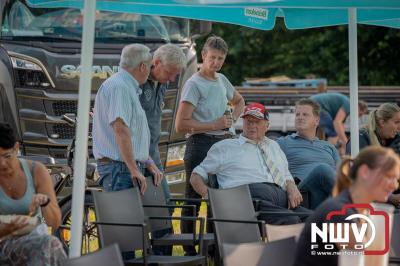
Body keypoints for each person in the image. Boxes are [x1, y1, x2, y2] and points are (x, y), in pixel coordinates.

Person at [175, 35, 245, 255]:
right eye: (212, 57)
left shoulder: (222, 80)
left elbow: (240, 101)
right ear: (203, 55)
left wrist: (233, 118)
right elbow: (180, 124)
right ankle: (189, 251)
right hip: (200, 145)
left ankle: (215, 247)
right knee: (193, 199)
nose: (216, 63)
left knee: (219, 196)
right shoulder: (194, 84)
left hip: (223, 145)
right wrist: (214, 124)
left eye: (221, 59)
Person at [190, 103, 311, 226]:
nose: (252, 126)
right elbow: (196, 175)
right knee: (291, 221)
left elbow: (285, 174)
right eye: (248, 121)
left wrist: (292, 186)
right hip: (247, 198)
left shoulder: (274, 146)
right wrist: (210, 196)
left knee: (317, 221)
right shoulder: (225, 147)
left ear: (267, 125)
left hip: (281, 198)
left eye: (257, 122)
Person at [294, 146, 400, 266]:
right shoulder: (339, 213)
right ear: (365, 172)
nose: (395, 185)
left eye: (396, 179)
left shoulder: (358, 211)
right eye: (389, 176)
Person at [93, 43, 162, 195]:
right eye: (151, 67)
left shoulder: (125, 86)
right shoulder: (120, 87)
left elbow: (133, 135)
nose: (151, 71)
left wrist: (147, 161)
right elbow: (121, 130)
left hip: (122, 168)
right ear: (142, 66)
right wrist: (134, 169)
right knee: (122, 218)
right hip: (120, 169)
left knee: (128, 218)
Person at [139, 44, 186, 256]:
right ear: (155, 63)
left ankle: (162, 258)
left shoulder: (162, 81)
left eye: (176, 74)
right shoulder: (137, 82)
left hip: (154, 153)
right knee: (140, 213)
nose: (172, 79)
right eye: (170, 73)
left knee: (166, 206)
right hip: (136, 155)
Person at [0, 122, 66, 266]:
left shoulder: (36, 171)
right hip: (4, 244)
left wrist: (45, 203)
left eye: (7, 156)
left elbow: (54, 223)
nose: (2, 164)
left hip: (34, 240)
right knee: (48, 246)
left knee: (48, 245)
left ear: (16, 148)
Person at [277, 98, 340, 209]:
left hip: (329, 194)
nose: (300, 117)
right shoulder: (284, 142)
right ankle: (355, 202)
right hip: (304, 194)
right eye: (297, 115)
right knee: (322, 170)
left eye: (305, 115)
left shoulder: (329, 146)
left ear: (316, 121)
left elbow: (341, 172)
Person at [346, 102, 400, 207]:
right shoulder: (360, 138)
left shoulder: (393, 138)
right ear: (382, 122)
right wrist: (389, 197)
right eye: (397, 122)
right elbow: (360, 177)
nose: (399, 127)